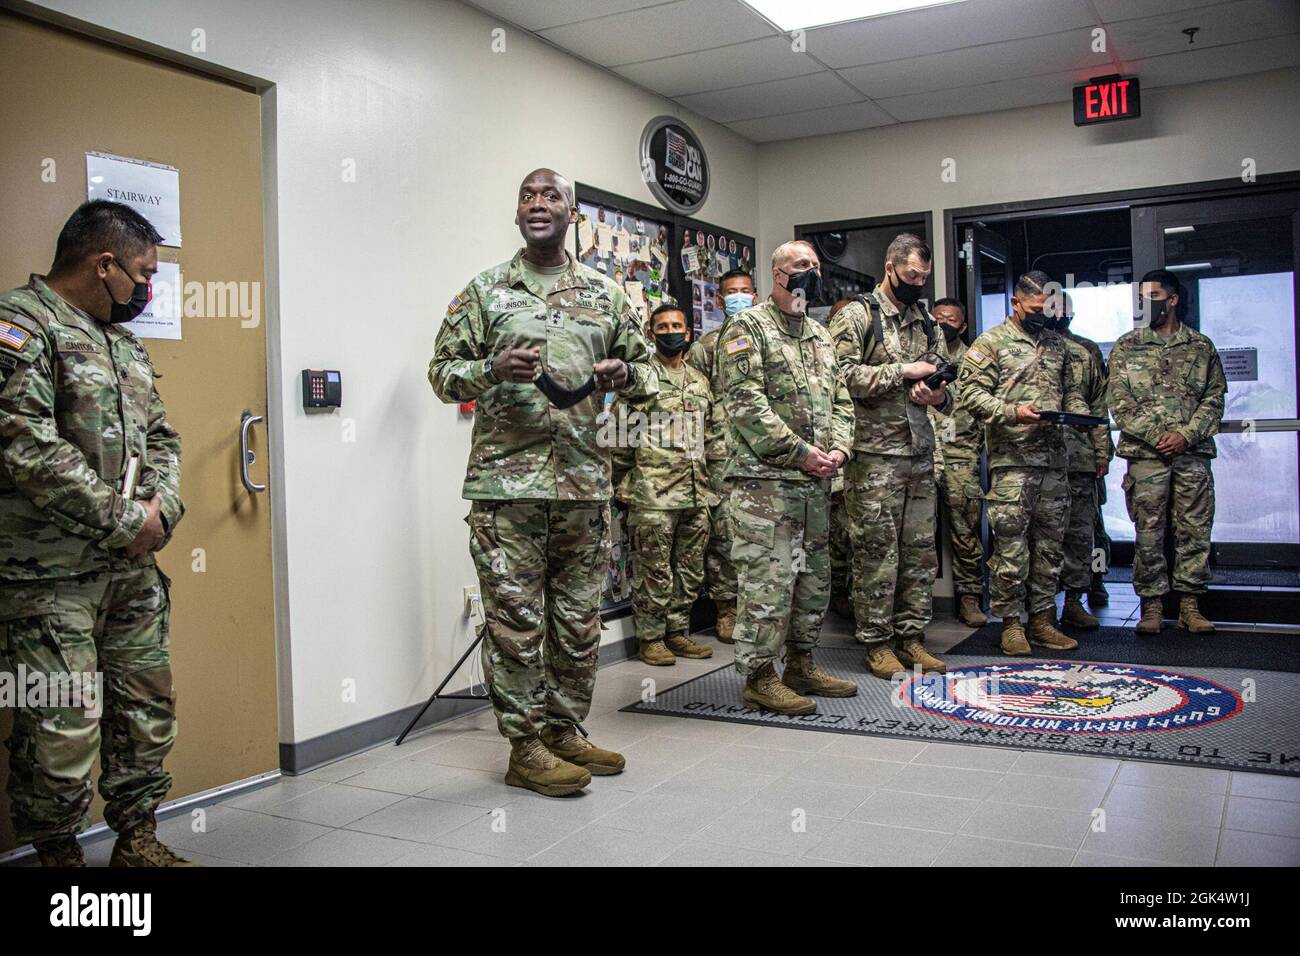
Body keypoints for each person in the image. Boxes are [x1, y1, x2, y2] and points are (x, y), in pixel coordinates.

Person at [429, 168, 656, 797]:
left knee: (579, 620)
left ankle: (564, 730)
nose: (537, 204)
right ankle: (524, 747)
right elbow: (442, 375)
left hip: (583, 485)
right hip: (509, 492)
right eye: (527, 195)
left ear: (571, 212)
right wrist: (491, 367)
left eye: (550, 195)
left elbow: (652, 377)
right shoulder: (485, 291)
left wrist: (622, 375)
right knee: (515, 622)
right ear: (518, 211)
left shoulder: (607, 296)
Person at [0, 200, 191, 867]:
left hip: (132, 575)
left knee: (145, 711)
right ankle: (58, 860)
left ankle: (138, 843)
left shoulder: (123, 344)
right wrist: (125, 522)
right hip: (49, 577)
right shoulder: (20, 324)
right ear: (103, 264)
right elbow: (25, 449)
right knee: (59, 728)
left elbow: (162, 437)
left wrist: (164, 509)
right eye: (142, 274)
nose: (148, 289)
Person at [718, 240, 856, 714]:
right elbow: (745, 405)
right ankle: (759, 676)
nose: (811, 272)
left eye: (815, 266)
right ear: (778, 274)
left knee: (813, 579)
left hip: (816, 485)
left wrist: (839, 447)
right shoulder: (746, 328)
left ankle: (801, 663)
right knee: (768, 582)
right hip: (766, 487)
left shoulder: (820, 335)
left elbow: (842, 401)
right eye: (802, 266)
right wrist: (800, 454)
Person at [829, 234, 952, 679]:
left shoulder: (928, 323)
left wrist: (936, 392)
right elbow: (837, 376)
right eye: (911, 276)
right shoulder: (859, 316)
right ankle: (877, 642)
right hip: (873, 455)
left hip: (919, 452)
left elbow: (946, 386)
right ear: (890, 268)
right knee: (877, 552)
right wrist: (901, 371)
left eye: (924, 278)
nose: (917, 284)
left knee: (920, 553)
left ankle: (911, 637)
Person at [957, 270, 1091, 656]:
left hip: (1055, 462)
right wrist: (1013, 411)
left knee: (1050, 548)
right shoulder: (991, 343)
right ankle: (1011, 625)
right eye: (1036, 308)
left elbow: (1072, 393)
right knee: (1011, 549)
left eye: (1048, 309)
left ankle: (1043, 622)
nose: (1043, 316)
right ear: (1016, 303)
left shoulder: (1057, 345)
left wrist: (1080, 418)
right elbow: (971, 396)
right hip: (1012, 463)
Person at [1108, 269, 1226, 635]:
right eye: (1142, 296)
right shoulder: (1127, 346)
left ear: (1172, 299)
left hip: (1191, 455)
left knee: (1194, 530)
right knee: (1148, 531)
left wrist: (1185, 436)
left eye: (1154, 295)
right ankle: (1152, 606)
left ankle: (1190, 605)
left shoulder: (1201, 346)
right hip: (1147, 457)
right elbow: (1119, 401)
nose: (1146, 302)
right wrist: (1160, 435)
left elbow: (1215, 397)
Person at [611, 302, 721, 666]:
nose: (671, 332)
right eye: (662, 327)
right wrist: (624, 487)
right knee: (654, 572)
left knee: (690, 570)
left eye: (677, 326)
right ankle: (651, 638)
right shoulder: (641, 381)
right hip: (652, 494)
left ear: (688, 333)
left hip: (697, 492)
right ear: (650, 333)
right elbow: (618, 438)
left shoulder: (700, 382)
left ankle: (677, 632)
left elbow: (714, 436)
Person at [685, 268, 755, 643]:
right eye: (731, 292)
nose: (738, 298)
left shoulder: (770, 341)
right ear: (718, 300)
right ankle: (727, 609)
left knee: (763, 535)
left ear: (756, 296)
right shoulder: (706, 348)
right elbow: (693, 405)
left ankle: (760, 609)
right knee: (725, 535)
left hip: (765, 455)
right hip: (721, 455)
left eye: (745, 291)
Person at [1055, 293, 1113, 627]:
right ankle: (1044, 604)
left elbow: (1098, 407)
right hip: (1041, 457)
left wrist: (1101, 453)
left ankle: (1091, 585)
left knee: (1088, 531)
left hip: (1081, 458)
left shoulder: (1086, 351)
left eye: (1062, 309)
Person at [929, 296, 987, 628]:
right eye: (937, 318)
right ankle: (916, 603)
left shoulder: (975, 360)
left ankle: (969, 597)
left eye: (950, 319)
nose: (943, 324)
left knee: (965, 531)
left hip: (960, 454)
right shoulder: (920, 356)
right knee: (920, 533)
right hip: (922, 452)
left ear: (962, 325)